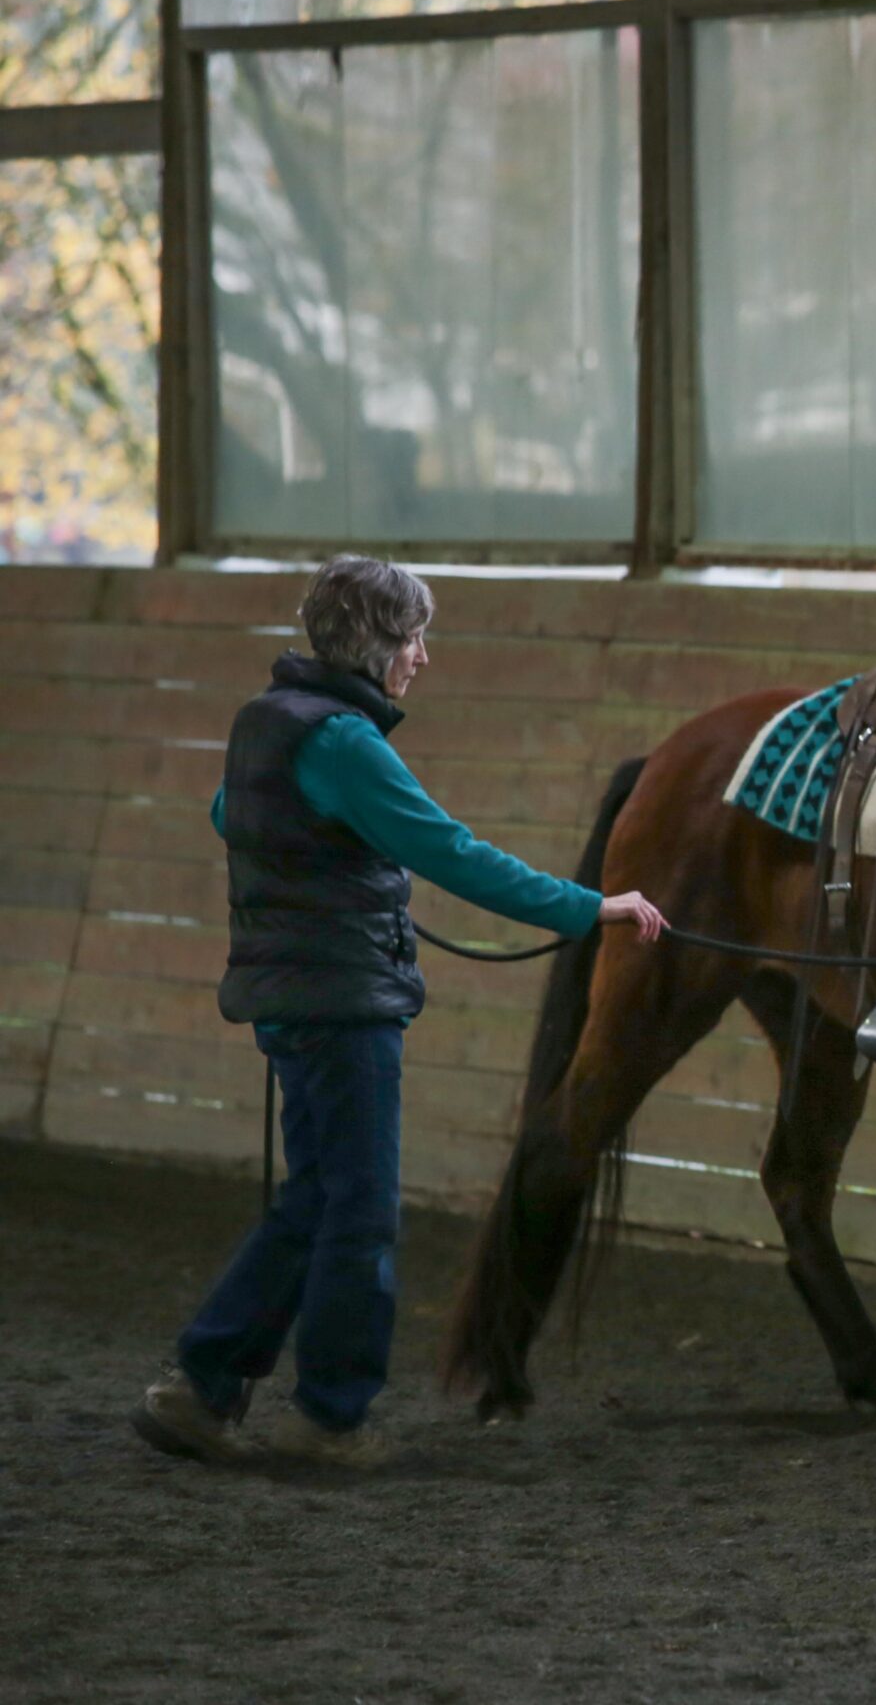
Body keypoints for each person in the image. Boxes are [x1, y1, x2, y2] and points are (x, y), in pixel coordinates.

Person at [129, 556, 666, 1470]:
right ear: (380, 644)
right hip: (344, 1002)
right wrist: (592, 908)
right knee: (363, 1213)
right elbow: (453, 852)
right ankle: (329, 1419)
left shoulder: (265, 723)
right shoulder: (345, 743)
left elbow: (233, 815)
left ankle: (201, 1386)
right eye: (415, 638)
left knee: (315, 1199)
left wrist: (332, 866)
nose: (422, 657)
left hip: (292, 997)